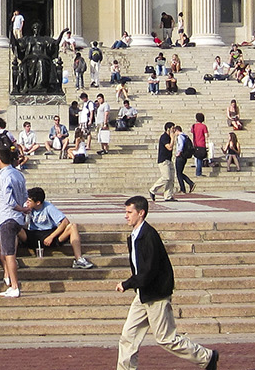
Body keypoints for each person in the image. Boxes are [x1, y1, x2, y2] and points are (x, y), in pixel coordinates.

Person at [114, 195, 218, 370]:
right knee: (128, 336)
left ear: (141, 213)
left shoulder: (149, 236)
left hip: (156, 295)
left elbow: (149, 270)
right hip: (143, 294)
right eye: (125, 212)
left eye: (129, 212)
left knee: (166, 338)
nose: (126, 215)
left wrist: (127, 283)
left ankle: (207, 357)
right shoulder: (134, 236)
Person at [23, 186, 94, 268]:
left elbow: (65, 221)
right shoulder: (25, 207)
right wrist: (23, 213)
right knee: (13, 228)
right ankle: (11, 260)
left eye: (29, 201)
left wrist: (51, 237)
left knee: (73, 226)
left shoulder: (48, 207)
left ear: (38, 202)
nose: (27, 202)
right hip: (33, 234)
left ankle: (78, 259)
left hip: (49, 233)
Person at [0, 142, 28, 298]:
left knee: (9, 253)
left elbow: (9, 201)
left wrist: (21, 208)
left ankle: (14, 285)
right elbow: (24, 195)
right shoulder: (18, 174)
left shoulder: (4, 176)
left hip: (8, 217)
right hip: (17, 219)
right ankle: (12, 284)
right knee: (9, 251)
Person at [149, 123, 179, 202]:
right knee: (166, 177)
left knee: (171, 179)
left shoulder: (169, 137)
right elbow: (169, 147)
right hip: (163, 160)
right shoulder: (164, 137)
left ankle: (168, 196)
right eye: (173, 128)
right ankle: (152, 190)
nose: (174, 130)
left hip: (169, 159)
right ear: (168, 129)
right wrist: (172, 139)